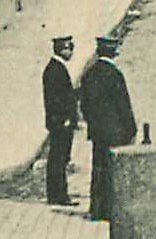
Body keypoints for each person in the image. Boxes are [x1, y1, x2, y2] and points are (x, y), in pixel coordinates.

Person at [79, 35, 137, 221]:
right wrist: (131, 129)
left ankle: (96, 210)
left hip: (98, 132)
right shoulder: (114, 74)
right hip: (115, 132)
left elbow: (84, 105)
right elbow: (123, 105)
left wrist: (92, 123)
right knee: (112, 171)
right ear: (114, 52)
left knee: (98, 169)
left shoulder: (89, 74)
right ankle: (111, 210)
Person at [41, 34, 78, 206]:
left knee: (59, 157)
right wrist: (65, 119)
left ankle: (57, 194)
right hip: (61, 122)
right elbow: (56, 100)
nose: (71, 53)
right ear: (62, 50)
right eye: (69, 49)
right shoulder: (55, 70)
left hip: (60, 121)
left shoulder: (56, 68)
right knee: (59, 158)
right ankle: (59, 195)